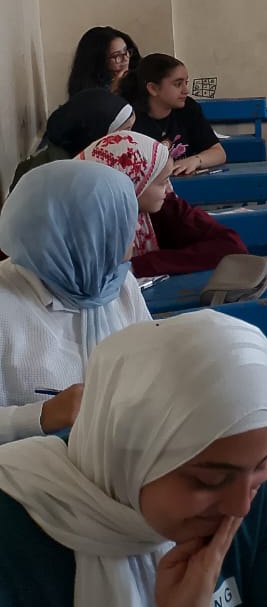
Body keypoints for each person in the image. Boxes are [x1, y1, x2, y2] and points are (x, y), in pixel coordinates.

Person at [0, 309, 267, 607]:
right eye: (208, 480)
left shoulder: (266, 485)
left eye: (261, 463)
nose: (241, 507)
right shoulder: (15, 534)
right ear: (128, 459)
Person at [0, 159, 150, 444]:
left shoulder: (114, 282)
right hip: (31, 466)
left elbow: (151, 361)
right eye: (119, 226)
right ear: (80, 234)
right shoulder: (6, 305)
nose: (132, 240)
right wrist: (39, 416)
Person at [79, 132, 248, 277]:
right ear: (134, 183)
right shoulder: (85, 221)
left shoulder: (166, 205)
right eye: (162, 182)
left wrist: (137, 266)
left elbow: (232, 246)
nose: (168, 189)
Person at [8, 88, 135, 192]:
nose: (131, 138)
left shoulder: (81, 161)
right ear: (95, 133)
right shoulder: (62, 178)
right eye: (125, 130)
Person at [123, 54, 226, 176]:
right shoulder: (129, 117)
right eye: (178, 84)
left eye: (186, 83)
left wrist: (196, 160)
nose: (186, 90)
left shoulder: (189, 108)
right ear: (153, 88)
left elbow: (219, 153)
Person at [66, 26, 141, 97]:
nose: (126, 58)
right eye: (117, 55)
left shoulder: (137, 74)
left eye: (126, 51)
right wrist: (114, 90)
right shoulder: (89, 90)